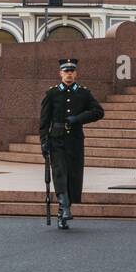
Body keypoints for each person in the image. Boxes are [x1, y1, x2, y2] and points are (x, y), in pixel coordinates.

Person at [39, 58, 105, 229]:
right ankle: (65, 206)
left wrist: (78, 118)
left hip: (75, 139)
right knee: (60, 172)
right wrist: (44, 142)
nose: (69, 74)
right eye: (65, 71)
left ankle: (62, 211)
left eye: (71, 71)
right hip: (57, 138)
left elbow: (98, 112)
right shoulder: (52, 93)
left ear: (76, 74)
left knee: (73, 176)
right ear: (60, 73)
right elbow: (44, 121)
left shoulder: (83, 93)